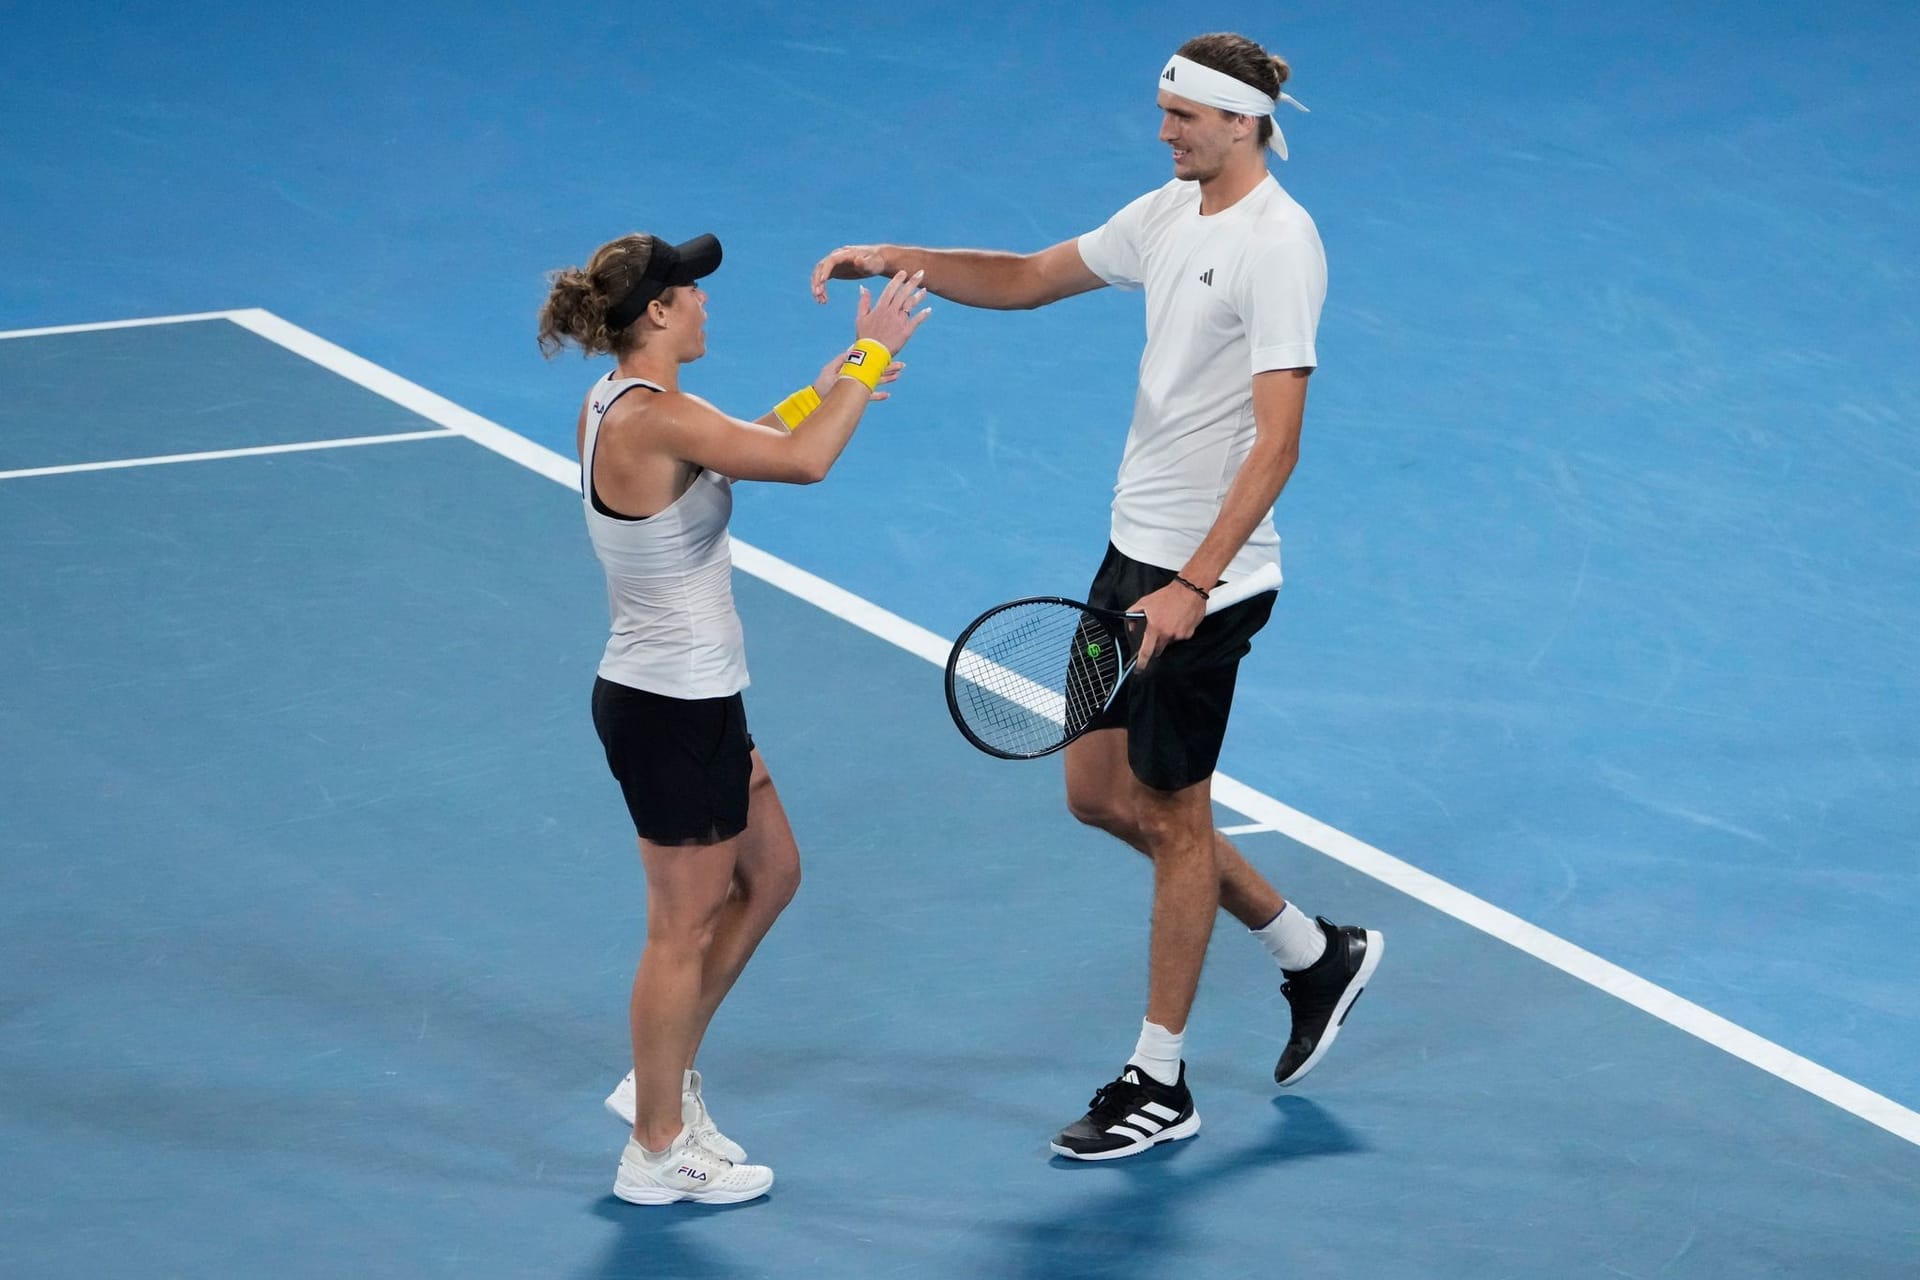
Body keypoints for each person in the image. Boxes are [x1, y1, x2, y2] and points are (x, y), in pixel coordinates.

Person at [809, 32, 1381, 1161]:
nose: (1163, 130)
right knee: (1096, 794)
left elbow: (1278, 445)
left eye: (1181, 116)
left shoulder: (1279, 244)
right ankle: (1314, 951)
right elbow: (1028, 276)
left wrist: (1194, 583)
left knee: (1173, 815)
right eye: (1163, 111)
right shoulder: (1174, 211)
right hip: (1130, 558)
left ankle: (1160, 1077)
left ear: (1240, 121)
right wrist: (894, 256)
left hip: (1202, 584)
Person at [539, 232, 930, 1201]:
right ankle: (656, 1147)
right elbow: (800, 463)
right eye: (691, 290)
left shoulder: (625, 405)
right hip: (668, 708)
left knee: (774, 871)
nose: (707, 301)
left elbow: (736, 453)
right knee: (680, 928)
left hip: (692, 699)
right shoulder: (653, 418)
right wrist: (871, 353)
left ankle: (655, 1080)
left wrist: (825, 387)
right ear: (659, 313)